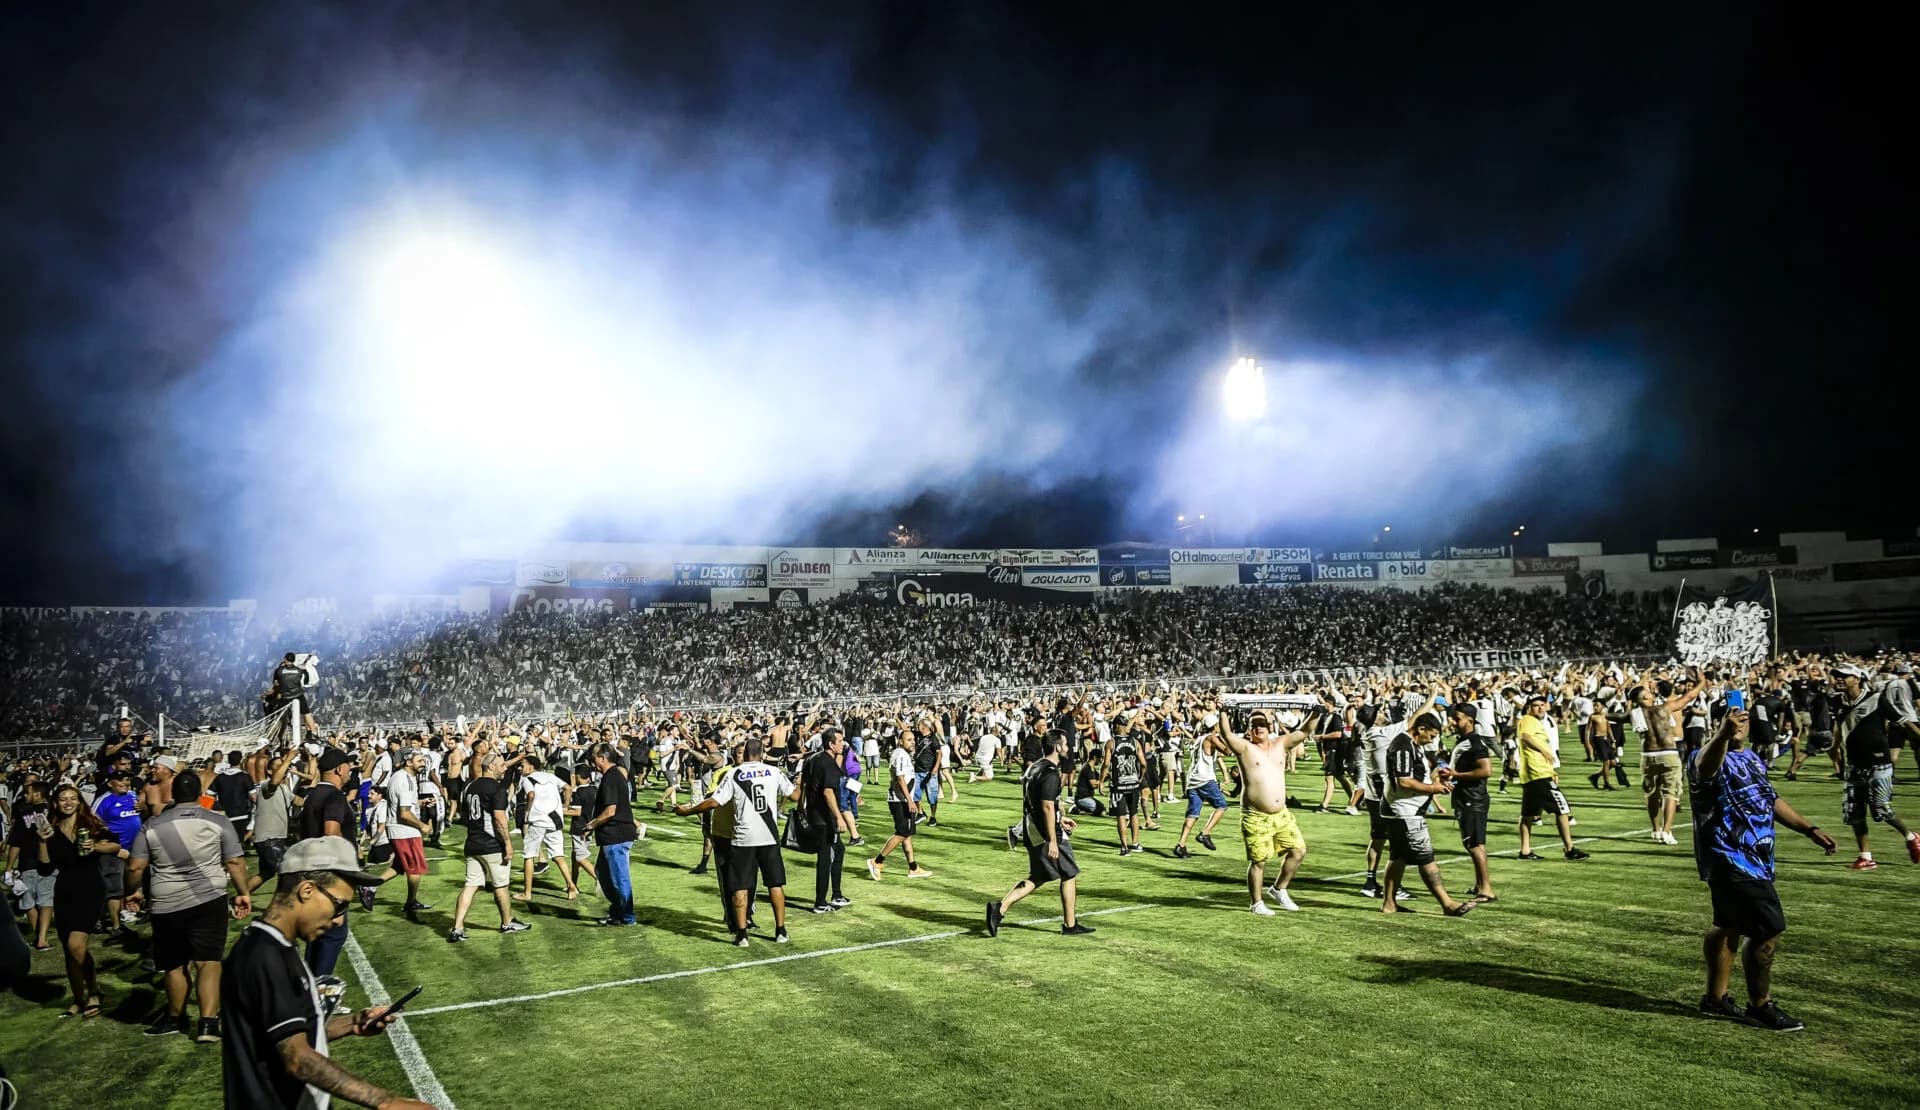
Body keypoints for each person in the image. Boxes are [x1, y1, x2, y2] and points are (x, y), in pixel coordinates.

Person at [220, 835, 434, 1110]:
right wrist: (386, 1102)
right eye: (339, 904)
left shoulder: (277, 947)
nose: (339, 919)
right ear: (307, 890)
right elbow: (297, 1057)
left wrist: (352, 1023)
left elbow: (281, 1036)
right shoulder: (265, 956)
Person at [1690, 700, 1837, 1030]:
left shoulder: (1752, 758)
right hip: (1731, 857)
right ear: (1719, 724)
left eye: (1743, 721)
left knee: (1727, 923)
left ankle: (1715, 999)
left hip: (1756, 859)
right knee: (1768, 928)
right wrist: (1722, 735)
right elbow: (1704, 767)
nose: (1740, 725)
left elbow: (1769, 798)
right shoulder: (1705, 756)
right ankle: (1759, 1005)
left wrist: (1808, 829)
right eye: (1733, 721)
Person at [127, 770, 252, 1041]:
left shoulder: (152, 825)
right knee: (208, 962)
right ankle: (208, 1023)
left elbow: (136, 866)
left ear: (171, 794)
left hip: (166, 901)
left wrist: (132, 891)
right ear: (200, 794)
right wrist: (243, 892)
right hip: (209, 898)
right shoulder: (217, 820)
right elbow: (235, 862)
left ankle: (175, 1017)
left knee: (174, 964)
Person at [678, 738, 800, 946]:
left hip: (744, 838)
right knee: (775, 884)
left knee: (740, 887)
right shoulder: (773, 772)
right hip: (769, 837)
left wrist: (689, 811)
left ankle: (742, 934)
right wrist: (801, 782)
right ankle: (780, 930)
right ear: (762, 753)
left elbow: (715, 801)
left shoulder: (735, 773)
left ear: (746, 754)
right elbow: (795, 795)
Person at [987, 730, 1094, 938]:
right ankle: (1070, 925)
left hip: (1031, 829)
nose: (1068, 748)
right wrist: (1053, 839)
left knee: (1038, 876)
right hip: (1046, 833)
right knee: (1069, 873)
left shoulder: (1034, 767)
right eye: (1065, 744)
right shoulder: (1051, 772)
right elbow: (1046, 806)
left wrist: (1059, 818)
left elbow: (1036, 803)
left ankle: (999, 909)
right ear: (1057, 747)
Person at [34, 783, 129, 1017]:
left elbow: (115, 845)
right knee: (69, 951)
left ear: (79, 802)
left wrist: (95, 846)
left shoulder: (90, 823)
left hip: (90, 889)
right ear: (55, 803)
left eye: (72, 798)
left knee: (77, 944)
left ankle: (94, 991)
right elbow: (45, 869)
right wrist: (42, 842)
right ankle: (78, 998)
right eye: (63, 798)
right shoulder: (51, 830)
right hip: (65, 892)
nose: (68, 802)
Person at [1212, 707, 1310, 914]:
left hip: (1281, 814)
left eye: (1262, 725)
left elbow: (1303, 733)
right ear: (1249, 730)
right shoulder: (1245, 748)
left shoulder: (1280, 744)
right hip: (1256, 814)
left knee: (1298, 851)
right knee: (1258, 861)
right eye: (1254, 725)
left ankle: (1278, 889)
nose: (1259, 728)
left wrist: (1316, 714)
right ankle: (1256, 903)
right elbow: (1226, 734)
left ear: (1270, 727)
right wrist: (1222, 711)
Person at [1381, 714, 1474, 917]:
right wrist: (1433, 788)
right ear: (1420, 728)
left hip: (1401, 809)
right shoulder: (1403, 746)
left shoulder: (1412, 745)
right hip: (1404, 810)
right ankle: (1447, 904)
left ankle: (1389, 904)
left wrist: (1436, 779)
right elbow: (1404, 781)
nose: (1431, 740)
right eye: (1430, 735)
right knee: (1426, 857)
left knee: (1397, 857)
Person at [1833, 664, 1920, 869]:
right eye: (1836, 676)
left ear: (1857, 678)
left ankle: (1911, 837)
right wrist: (1835, 747)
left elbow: (1904, 721)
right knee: (1855, 812)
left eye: (1843, 676)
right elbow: (1841, 727)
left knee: (1881, 809)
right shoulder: (1837, 701)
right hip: (1854, 763)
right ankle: (1866, 857)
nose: (1838, 679)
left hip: (1878, 763)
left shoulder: (1876, 698)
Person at [448, 754, 528, 941]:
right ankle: (507, 922)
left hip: (472, 843)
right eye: (501, 765)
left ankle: (457, 927)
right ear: (490, 767)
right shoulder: (496, 788)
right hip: (492, 845)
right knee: (501, 886)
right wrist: (508, 843)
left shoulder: (469, 787)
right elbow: (499, 819)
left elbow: (465, 813)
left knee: (470, 885)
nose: (505, 768)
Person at [297, 747, 357, 975]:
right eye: (348, 767)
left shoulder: (312, 795)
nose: (350, 771)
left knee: (318, 934)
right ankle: (320, 993)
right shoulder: (334, 796)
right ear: (340, 769)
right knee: (333, 934)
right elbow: (331, 832)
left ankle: (310, 988)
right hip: (331, 877)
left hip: (312, 872)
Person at [1516, 696, 1589, 862]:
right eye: (1535, 706)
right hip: (1538, 774)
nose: (1540, 708)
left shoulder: (1539, 722)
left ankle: (1525, 851)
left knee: (1528, 814)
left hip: (1534, 774)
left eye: (1542, 705)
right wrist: (1545, 751)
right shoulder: (1528, 720)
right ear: (1529, 707)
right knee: (1562, 809)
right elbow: (1526, 737)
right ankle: (1569, 849)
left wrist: (1552, 770)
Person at [1446, 703, 1498, 902]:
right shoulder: (1464, 741)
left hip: (1472, 799)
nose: (1453, 722)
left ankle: (1486, 889)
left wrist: (1456, 774)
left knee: (1475, 845)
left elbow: (1486, 770)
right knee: (1472, 844)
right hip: (1467, 797)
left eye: (1457, 718)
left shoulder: (1475, 743)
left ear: (1470, 720)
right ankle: (1479, 885)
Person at [581, 743, 638, 927]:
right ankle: (618, 911)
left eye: (595, 758)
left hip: (617, 835)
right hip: (611, 835)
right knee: (603, 873)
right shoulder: (612, 776)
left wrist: (592, 824)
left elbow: (610, 810)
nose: (593, 762)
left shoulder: (612, 777)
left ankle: (627, 916)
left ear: (603, 758)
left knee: (619, 877)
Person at [512, 751, 578, 902]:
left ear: (531, 766)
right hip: (555, 819)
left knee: (529, 855)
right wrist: (565, 806)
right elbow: (568, 788)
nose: (520, 769)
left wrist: (527, 812)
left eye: (522, 766)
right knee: (558, 855)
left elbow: (531, 795)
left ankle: (527, 893)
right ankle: (571, 886)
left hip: (539, 820)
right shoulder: (550, 776)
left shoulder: (527, 779)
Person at [867, 732, 933, 881]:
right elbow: (900, 778)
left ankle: (913, 867)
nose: (913, 742)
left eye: (913, 740)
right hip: (900, 800)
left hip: (901, 799)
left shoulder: (901, 753)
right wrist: (910, 800)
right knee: (902, 833)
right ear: (900, 741)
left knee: (907, 833)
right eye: (909, 740)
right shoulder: (901, 755)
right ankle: (877, 861)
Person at [801, 729, 852, 912]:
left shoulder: (813, 759)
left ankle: (835, 894)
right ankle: (821, 901)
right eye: (839, 741)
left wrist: (802, 807)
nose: (842, 744)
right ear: (831, 744)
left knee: (837, 851)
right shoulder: (828, 764)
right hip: (825, 818)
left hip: (815, 814)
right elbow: (828, 792)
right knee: (826, 857)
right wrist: (839, 817)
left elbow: (803, 784)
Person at [381, 748, 434, 919]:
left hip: (401, 829)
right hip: (405, 830)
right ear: (408, 762)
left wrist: (420, 802)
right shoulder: (404, 779)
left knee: (400, 866)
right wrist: (422, 826)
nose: (423, 764)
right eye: (419, 761)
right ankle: (411, 902)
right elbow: (403, 813)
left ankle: (370, 886)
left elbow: (404, 803)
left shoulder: (404, 777)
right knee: (415, 868)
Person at [5, 782, 57, 950]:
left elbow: (16, 843)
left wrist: (9, 868)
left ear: (37, 795)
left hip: (27, 863)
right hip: (50, 860)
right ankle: (42, 939)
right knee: (46, 900)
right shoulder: (55, 812)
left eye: (28, 792)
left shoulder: (23, 813)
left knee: (28, 901)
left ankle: (38, 937)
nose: (25, 796)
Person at [91, 767, 142, 937]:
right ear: (110, 783)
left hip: (134, 848)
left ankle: (125, 912)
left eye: (127, 780)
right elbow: (92, 822)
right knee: (113, 888)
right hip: (114, 850)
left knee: (131, 883)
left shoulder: (134, 796)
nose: (125, 783)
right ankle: (114, 926)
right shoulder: (104, 800)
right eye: (120, 780)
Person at [1169, 723, 1230, 860]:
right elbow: (1227, 751)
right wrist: (1227, 737)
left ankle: (1181, 844)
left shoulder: (1199, 739)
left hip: (1193, 779)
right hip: (1205, 778)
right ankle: (1205, 833)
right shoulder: (1211, 737)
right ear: (1215, 726)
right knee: (1221, 805)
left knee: (1192, 814)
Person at [247, 749, 298, 895]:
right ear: (269, 771)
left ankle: (239, 897)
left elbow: (298, 801)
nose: (284, 768)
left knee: (266, 873)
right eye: (278, 766)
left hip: (275, 838)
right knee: (288, 872)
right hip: (269, 839)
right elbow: (274, 781)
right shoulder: (266, 785)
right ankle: (284, 908)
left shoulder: (283, 788)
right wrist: (287, 759)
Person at [1105, 723, 1147, 856]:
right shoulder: (1135, 742)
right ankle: (1135, 843)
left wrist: (1101, 781)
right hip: (1133, 783)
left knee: (1121, 816)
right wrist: (1140, 777)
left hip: (1118, 784)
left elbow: (1106, 764)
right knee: (1134, 813)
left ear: (1116, 727)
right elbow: (1143, 763)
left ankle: (1124, 847)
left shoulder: (1111, 742)